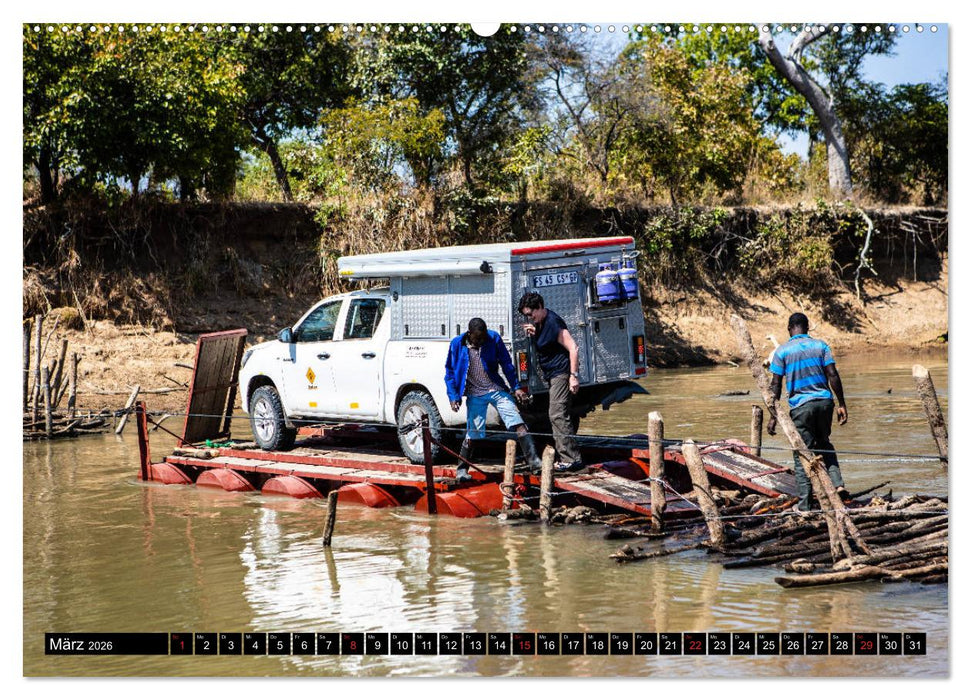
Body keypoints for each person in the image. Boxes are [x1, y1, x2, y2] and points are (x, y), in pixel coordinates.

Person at [767, 312, 850, 513]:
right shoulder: (821, 346)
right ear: (807, 328)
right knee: (824, 443)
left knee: (802, 454)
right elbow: (833, 375)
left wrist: (772, 416)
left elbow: (776, 384)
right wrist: (842, 404)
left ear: (789, 329)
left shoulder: (782, 352)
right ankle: (838, 484)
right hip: (824, 402)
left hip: (801, 407)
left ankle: (804, 505)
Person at [444, 318, 542, 482]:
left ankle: (535, 463)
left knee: (518, 423)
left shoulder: (494, 338)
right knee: (473, 433)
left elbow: (506, 364)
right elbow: (450, 372)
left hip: (495, 389)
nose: (481, 341)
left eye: (483, 338)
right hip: (475, 393)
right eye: (477, 339)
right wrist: (453, 396)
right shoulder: (457, 344)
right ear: (470, 335)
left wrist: (516, 387)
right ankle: (461, 470)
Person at [517, 292, 584, 473]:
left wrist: (573, 376)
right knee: (556, 414)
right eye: (527, 316)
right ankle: (568, 456)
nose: (530, 318)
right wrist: (535, 331)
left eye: (532, 314)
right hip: (553, 375)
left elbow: (573, 347)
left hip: (561, 374)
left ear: (540, 307)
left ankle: (571, 459)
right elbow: (547, 339)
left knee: (557, 414)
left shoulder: (554, 322)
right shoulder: (541, 323)